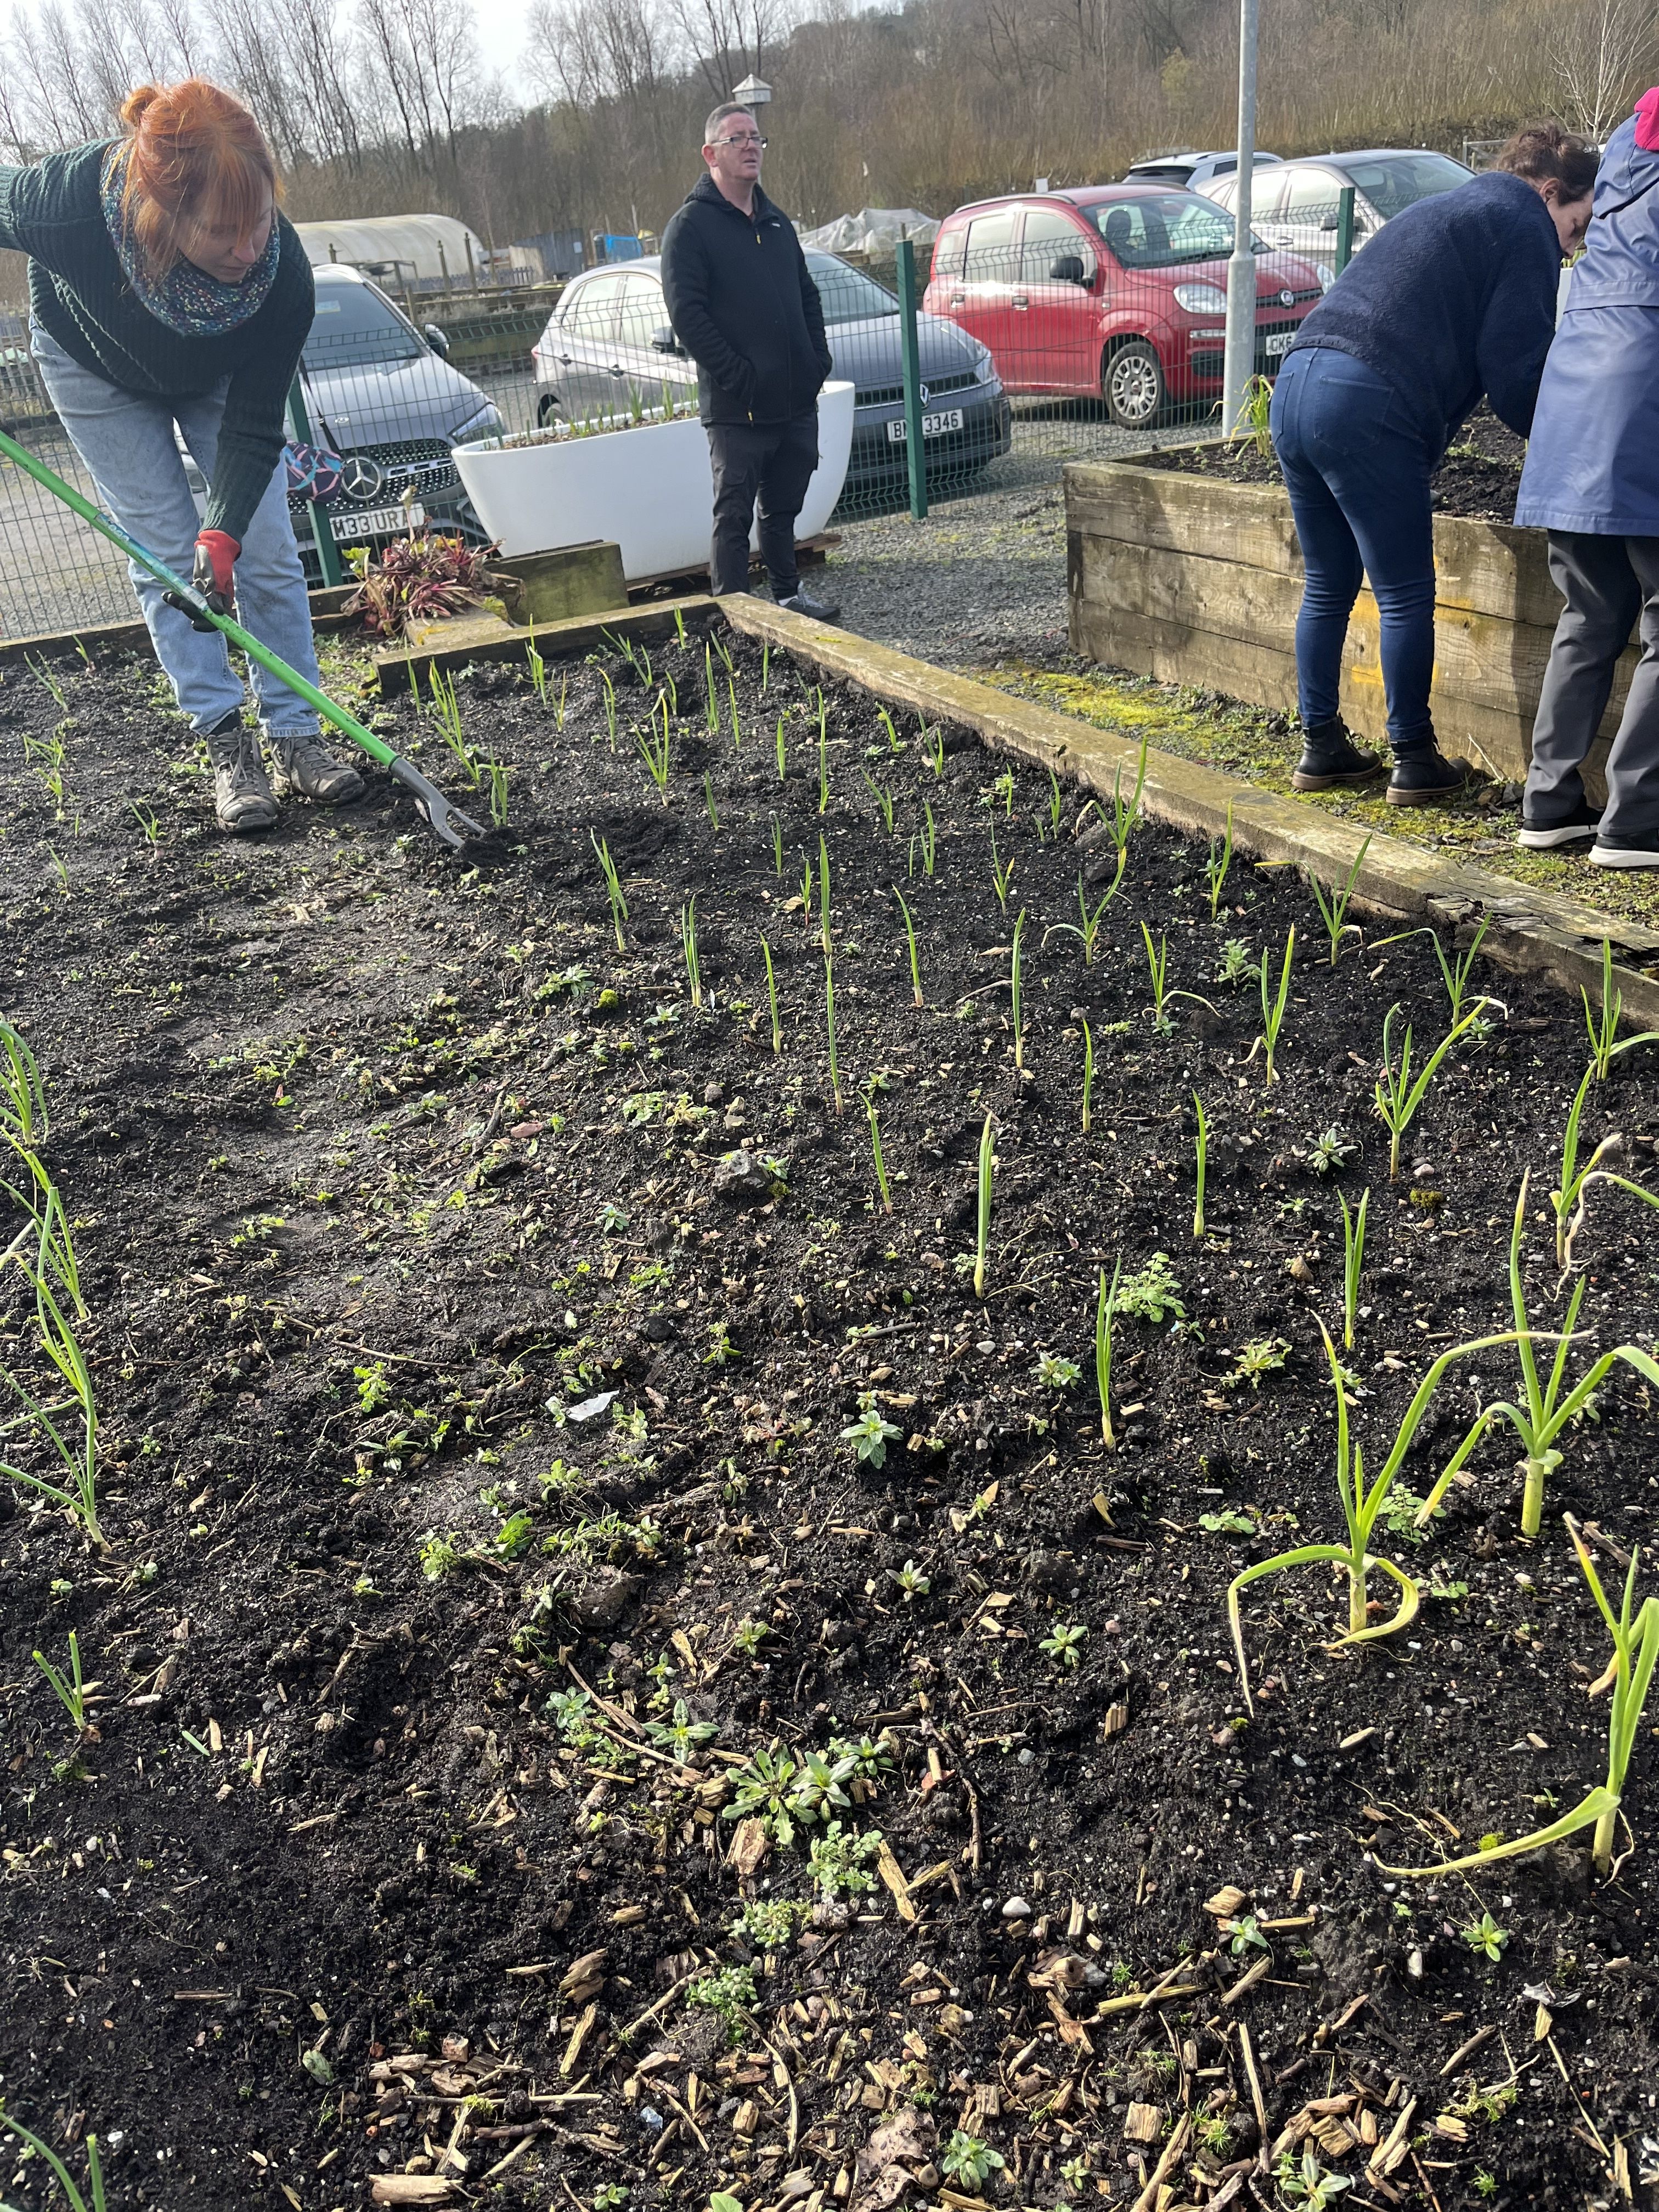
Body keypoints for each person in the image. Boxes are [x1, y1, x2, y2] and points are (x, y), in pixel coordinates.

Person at [0, 78, 363, 834]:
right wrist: (198, 546)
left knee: (263, 548)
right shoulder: (65, 206)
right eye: (221, 232)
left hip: (219, 372)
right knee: (167, 558)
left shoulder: (281, 279)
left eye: (259, 220)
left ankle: (297, 738)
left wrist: (224, 529)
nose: (247, 247)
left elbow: (257, 423)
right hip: (91, 361)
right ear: (162, 215)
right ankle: (228, 747)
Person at [1268, 125, 1596, 805]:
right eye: (1577, 224)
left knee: (1328, 584)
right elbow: (1515, 373)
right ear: (1551, 192)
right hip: (1365, 397)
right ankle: (1414, 758)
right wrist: (1577, 447)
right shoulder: (1522, 225)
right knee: (1406, 592)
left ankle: (1321, 745)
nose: (1573, 246)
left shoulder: (1457, 207)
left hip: (1298, 382)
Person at [1515, 92, 1659, 866]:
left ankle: (1549, 803)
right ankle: (1637, 821)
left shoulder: (1625, 151)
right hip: (1644, 400)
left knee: (1590, 610)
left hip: (1574, 401)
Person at [660, 102, 840, 620]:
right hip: (737, 405)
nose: (749, 146)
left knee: (782, 508)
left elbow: (806, 294)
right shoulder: (691, 228)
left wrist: (815, 361)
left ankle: (787, 596)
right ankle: (735, 619)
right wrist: (739, 375)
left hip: (793, 399)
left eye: (756, 137)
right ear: (710, 153)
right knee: (734, 514)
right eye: (736, 138)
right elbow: (687, 315)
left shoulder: (777, 221)